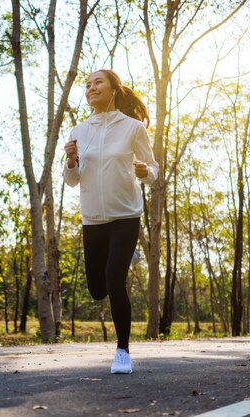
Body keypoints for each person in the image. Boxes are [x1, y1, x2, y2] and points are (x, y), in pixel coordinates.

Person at [63, 69, 158, 374]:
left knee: (115, 281)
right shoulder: (78, 130)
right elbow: (71, 181)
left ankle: (122, 352)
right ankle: (123, 256)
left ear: (114, 89)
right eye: (87, 85)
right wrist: (70, 161)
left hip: (125, 215)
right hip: (93, 219)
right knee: (97, 288)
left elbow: (153, 168)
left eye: (97, 82)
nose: (91, 88)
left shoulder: (132, 128)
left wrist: (145, 172)